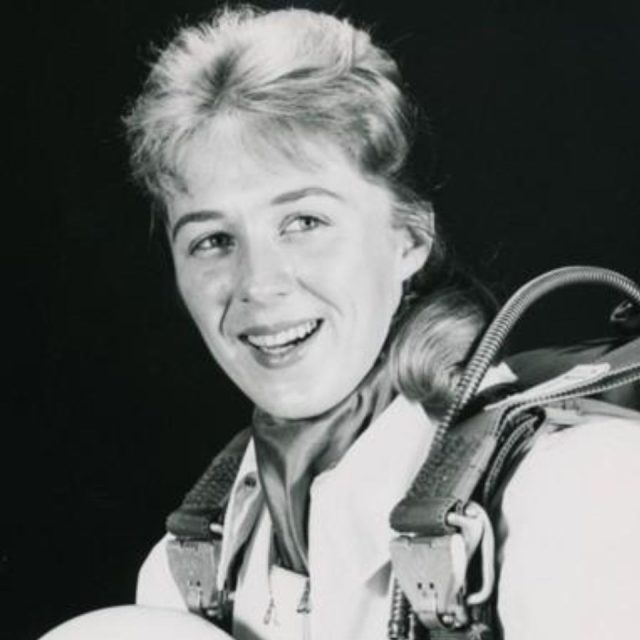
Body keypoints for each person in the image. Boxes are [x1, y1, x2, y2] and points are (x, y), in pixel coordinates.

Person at [120, 5, 640, 640]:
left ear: (407, 240)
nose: (258, 284)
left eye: (304, 222)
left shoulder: (581, 493)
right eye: (212, 240)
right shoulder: (180, 578)